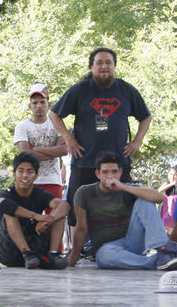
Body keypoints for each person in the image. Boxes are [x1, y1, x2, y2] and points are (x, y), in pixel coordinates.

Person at [49, 48, 152, 226]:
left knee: (120, 216)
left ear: (114, 66)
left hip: (118, 165)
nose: (104, 66)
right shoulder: (80, 90)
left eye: (108, 62)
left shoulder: (126, 90)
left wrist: (137, 141)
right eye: (99, 63)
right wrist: (69, 138)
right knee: (77, 215)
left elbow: (146, 117)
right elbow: (54, 114)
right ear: (91, 67)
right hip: (85, 162)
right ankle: (79, 244)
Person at [69, 151, 177, 271]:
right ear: (97, 174)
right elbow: (81, 228)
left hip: (132, 241)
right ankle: (160, 261)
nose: (110, 176)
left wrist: (123, 187)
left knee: (145, 201)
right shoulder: (84, 193)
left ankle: (164, 250)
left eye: (114, 172)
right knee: (104, 255)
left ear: (120, 172)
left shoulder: (127, 188)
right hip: (107, 249)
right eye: (105, 172)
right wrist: (72, 259)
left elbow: (160, 197)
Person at [0, 152, 69, 269]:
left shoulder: (40, 194)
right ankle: (26, 253)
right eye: (21, 171)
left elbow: (64, 205)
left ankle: (53, 253)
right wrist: (36, 216)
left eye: (30, 172)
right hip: (9, 251)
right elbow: (2, 204)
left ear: (36, 176)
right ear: (14, 174)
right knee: (10, 211)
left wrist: (49, 219)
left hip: (35, 247)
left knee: (59, 214)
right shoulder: (6, 193)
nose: (25, 175)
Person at [13, 83, 66, 200]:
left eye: (42, 102)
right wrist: (53, 152)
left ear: (49, 104)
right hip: (30, 181)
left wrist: (36, 150)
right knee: (28, 212)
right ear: (30, 106)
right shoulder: (22, 126)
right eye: (35, 103)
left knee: (56, 211)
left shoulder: (57, 123)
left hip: (53, 181)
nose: (39, 106)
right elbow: (25, 154)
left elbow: (64, 150)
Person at [157, 165, 177, 234]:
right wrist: (172, 184)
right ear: (168, 175)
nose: (172, 176)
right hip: (168, 207)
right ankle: (167, 237)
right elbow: (159, 190)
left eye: (175, 174)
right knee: (167, 225)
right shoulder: (166, 183)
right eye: (170, 174)